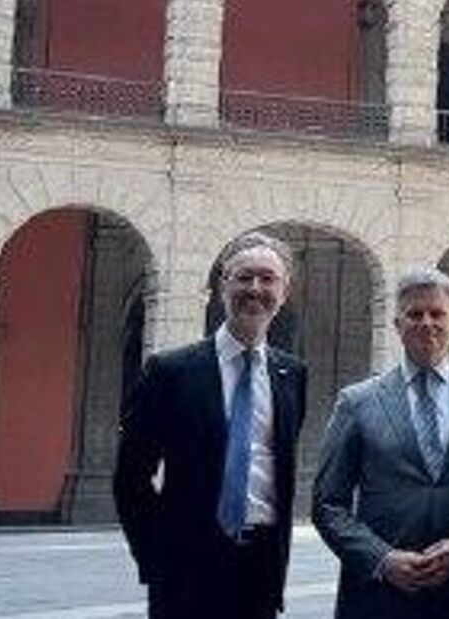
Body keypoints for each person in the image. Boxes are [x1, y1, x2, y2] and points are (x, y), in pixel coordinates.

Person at [115, 232, 308, 619]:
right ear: (223, 285)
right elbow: (130, 477)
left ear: (284, 292)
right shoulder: (171, 371)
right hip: (186, 567)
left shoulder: (292, 374)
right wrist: (156, 556)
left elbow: (278, 469)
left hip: (262, 566)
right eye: (244, 277)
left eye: (268, 279)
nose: (255, 288)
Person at [313, 267, 449, 619]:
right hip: (376, 597)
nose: (426, 323)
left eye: (437, 314)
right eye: (415, 314)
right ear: (397, 325)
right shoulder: (357, 402)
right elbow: (328, 504)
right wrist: (382, 559)